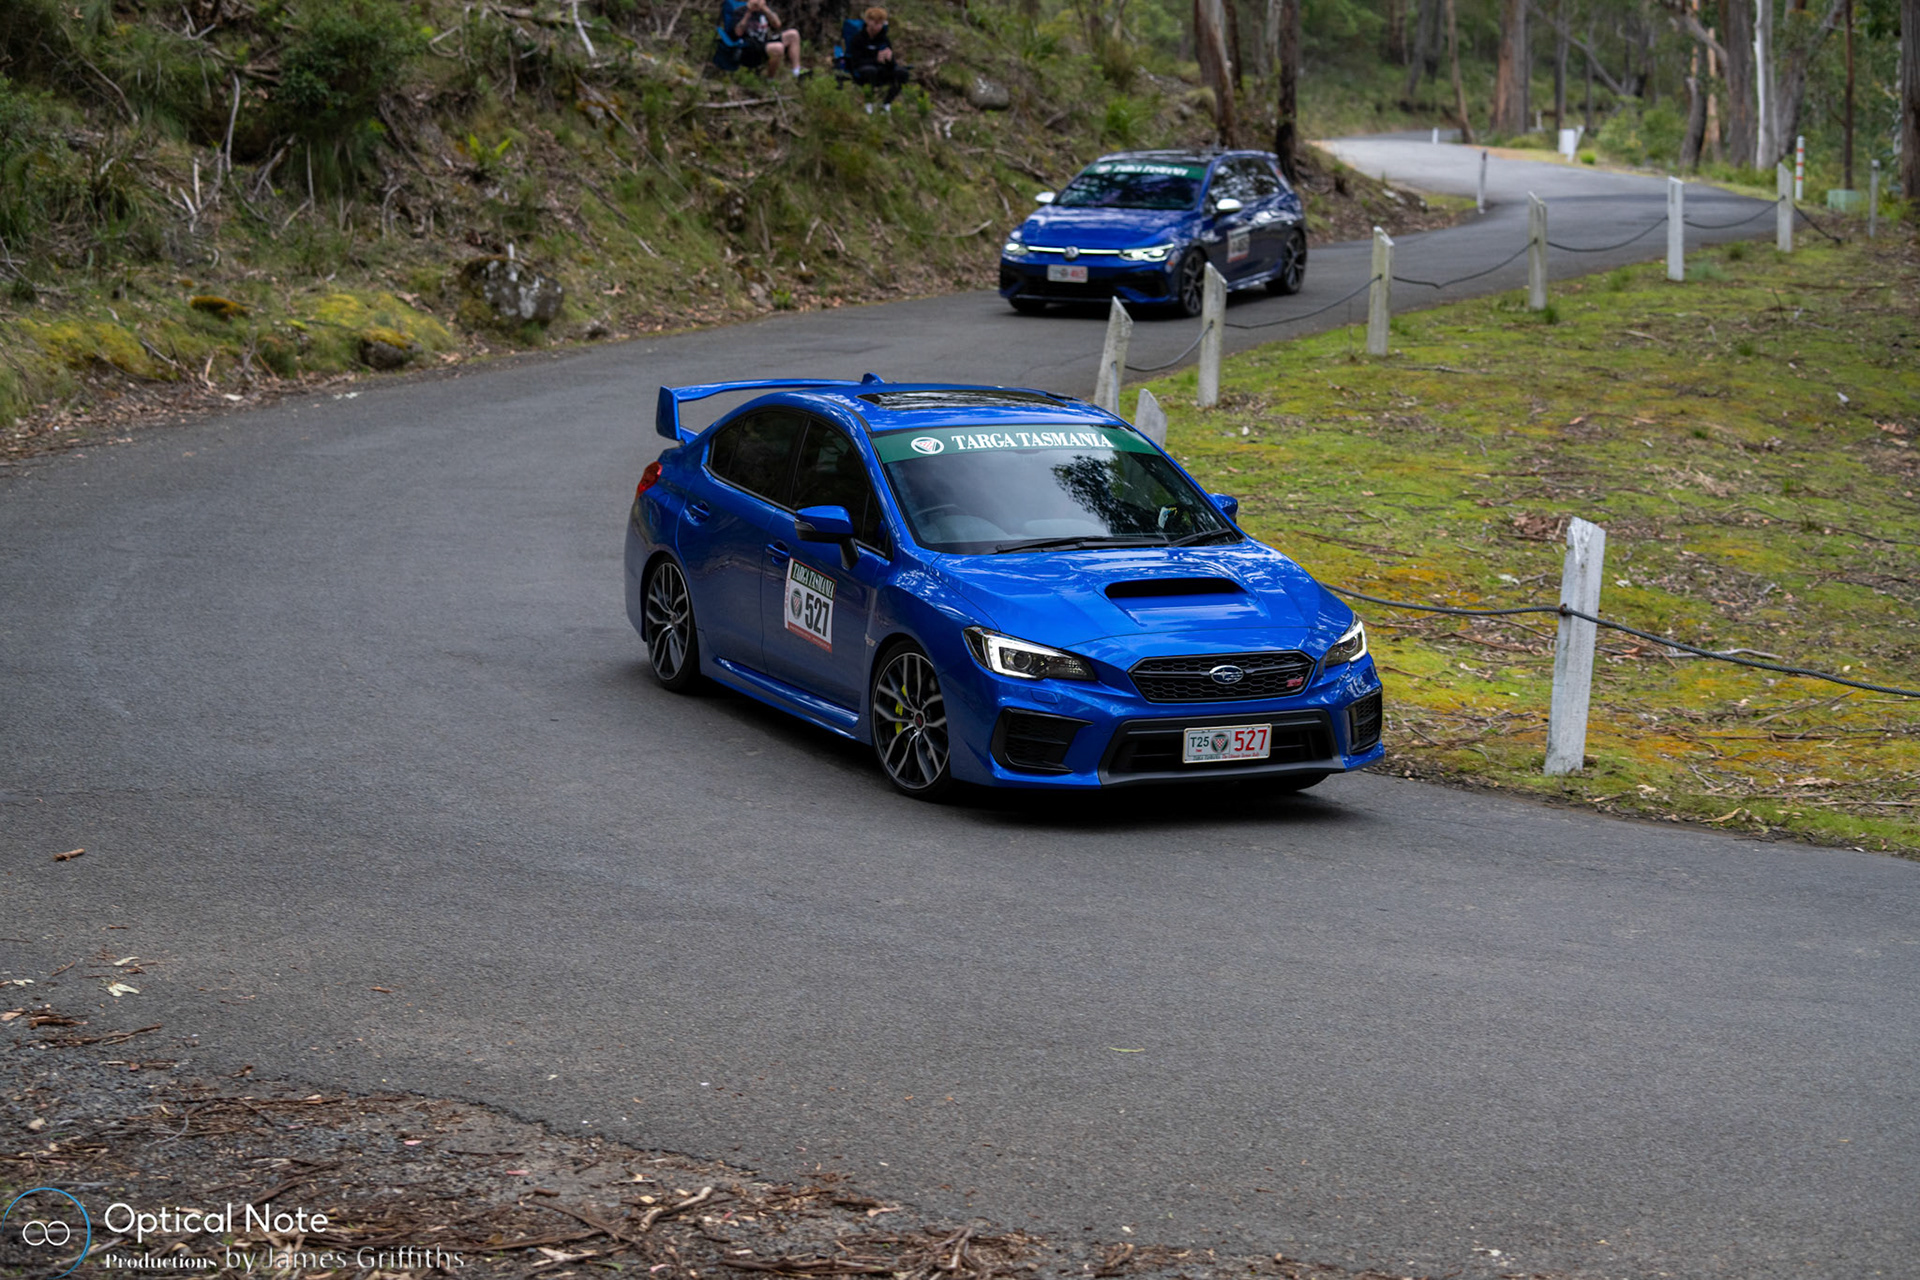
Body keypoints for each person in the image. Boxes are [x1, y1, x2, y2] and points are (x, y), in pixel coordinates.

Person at [845, 6, 910, 109]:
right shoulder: (858, 38)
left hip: (882, 70)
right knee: (870, 71)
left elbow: (892, 64)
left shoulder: (884, 39)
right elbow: (856, 61)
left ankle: (887, 103)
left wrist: (889, 58)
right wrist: (876, 59)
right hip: (864, 70)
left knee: (902, 73)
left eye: (881, 24)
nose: (878, 27)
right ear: (868, 21)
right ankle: (868, 103)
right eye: (876, 23)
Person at [719, 0, 804, 77]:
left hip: (764, 41)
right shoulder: (740, 11)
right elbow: (738, 32)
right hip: (749, 46)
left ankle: (796, 72)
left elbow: (777, 24)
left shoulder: (763, 11)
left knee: (793, 34)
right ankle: (770, 79)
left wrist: (765, 9)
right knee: (778, 48)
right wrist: (749, 13)